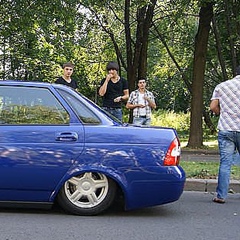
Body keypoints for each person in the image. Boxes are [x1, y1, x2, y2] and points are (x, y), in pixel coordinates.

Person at [210, 66, 240, 204]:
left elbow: (213, 107)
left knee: (225, 164)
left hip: (226, 128)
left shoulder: (222, 86)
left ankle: (221, 195)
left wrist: (221, 113)